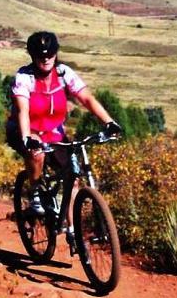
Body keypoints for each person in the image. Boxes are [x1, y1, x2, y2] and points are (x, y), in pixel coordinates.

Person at [6, 31, 121, 214]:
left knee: (72, 178)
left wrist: (109, 122)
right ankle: (35, 192)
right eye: (40, 56)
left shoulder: (63, 73)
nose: (46, 59)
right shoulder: (24, 77)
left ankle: (71, 230)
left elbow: (87, 99)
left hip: (53, 132)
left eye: (50, 54)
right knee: (36, 153)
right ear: (32, 56)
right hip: (24, 129)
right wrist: (27, 137)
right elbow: (23, 110)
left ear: (56, 53)